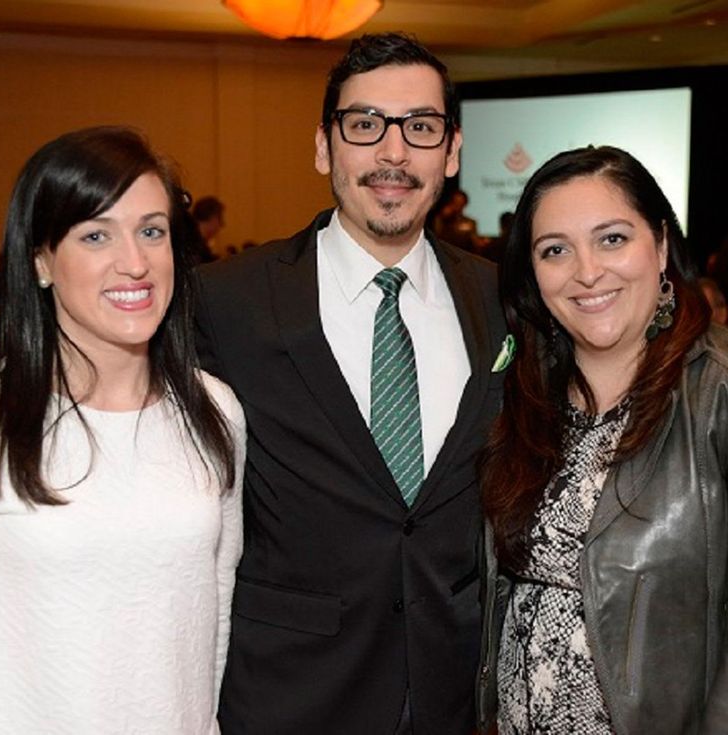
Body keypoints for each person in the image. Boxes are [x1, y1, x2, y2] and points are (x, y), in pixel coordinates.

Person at [0, 126, 246, 733]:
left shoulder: (214, 413)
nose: (135, 262)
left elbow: (212, 628)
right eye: (96, 234)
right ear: (41, 259)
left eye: (151, 231)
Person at [194, 32, 506, 735]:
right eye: (365, 125)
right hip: (289, 696)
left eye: (420, 128)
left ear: (452, 152)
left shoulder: (502, 297)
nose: (393, 153)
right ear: (323, 146)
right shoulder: (226, 301)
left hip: (453, 696)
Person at [478, 145, 728, 734]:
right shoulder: (522, 392)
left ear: (661, 245)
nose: (587, 271)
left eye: (612, 238)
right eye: (555, 250)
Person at [191, 195, 225, 262]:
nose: (222, 224)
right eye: (220, 218)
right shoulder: (197, 248)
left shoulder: (188, 240)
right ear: (212, 218)